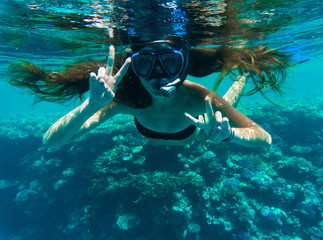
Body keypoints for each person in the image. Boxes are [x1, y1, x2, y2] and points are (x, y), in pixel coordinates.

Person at [7, 1, 290, 148]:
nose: (158, 77)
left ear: (185, 63)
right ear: (132, 66)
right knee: (213, 117)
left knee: (220, 111)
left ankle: (239, 77)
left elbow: (263, 137)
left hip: (196, 139)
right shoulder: (126, 99)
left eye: (169, 61)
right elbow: (51, 141)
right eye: (144, 65)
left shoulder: (200, 97)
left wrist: (229, 137)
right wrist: (91, 106)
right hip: (154, 141)